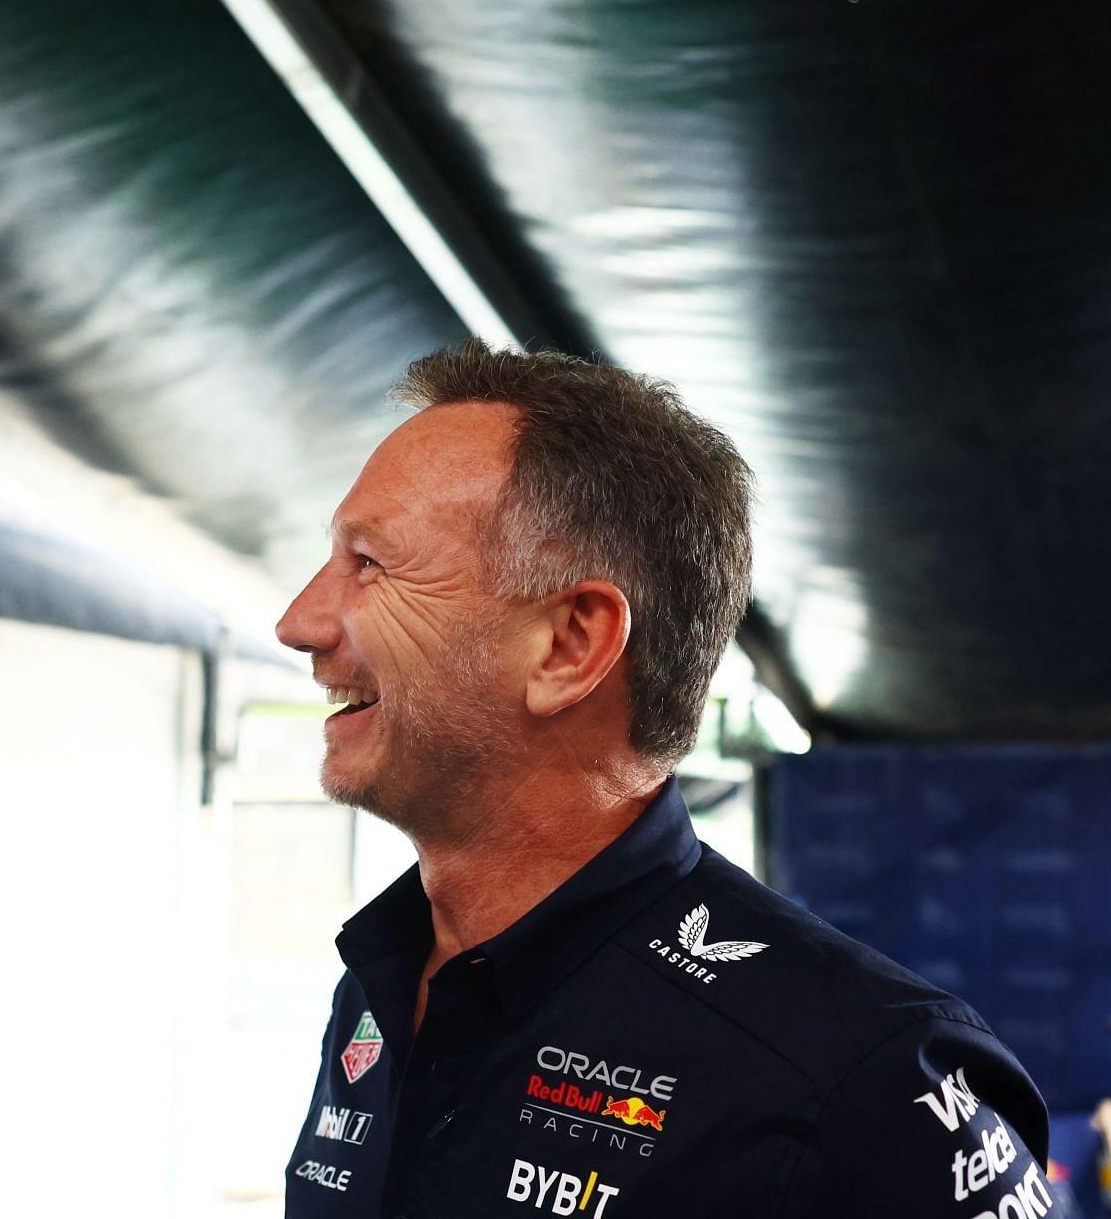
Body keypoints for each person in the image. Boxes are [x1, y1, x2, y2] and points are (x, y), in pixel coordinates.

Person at [275, 341, 1065, 1217]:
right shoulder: (381, 983)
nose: (298, 622)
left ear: (570, 645)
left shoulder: (862, 1080)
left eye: (370, 565)